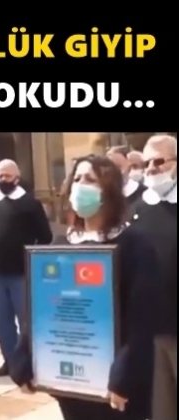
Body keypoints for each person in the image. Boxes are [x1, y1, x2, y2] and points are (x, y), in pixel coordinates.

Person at [10, 154, 158, 420]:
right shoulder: (60, 246)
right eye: (76, 179)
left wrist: (124, 375)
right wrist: (24, 357)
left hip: (116, 390)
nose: (80, 186)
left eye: (90, 179)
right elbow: (41, 310)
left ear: (109, 190)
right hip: (71, 385)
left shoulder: (135, 246)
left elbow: (142, 320)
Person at [0, 159, 53, 377]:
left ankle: (31, 362)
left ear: (17, 178)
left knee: (27, 322)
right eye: (0, 176)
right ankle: (11, 361)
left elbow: (45, 237)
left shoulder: (29, 203)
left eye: (7, 176)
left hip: (22, 273)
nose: (3, 179)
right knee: (0, 323)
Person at [128, 135, 177, 419]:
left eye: (159, 161)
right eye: (146, 162)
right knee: (161, 408)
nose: (150, 168)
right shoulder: (138, 209)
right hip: (150, 330)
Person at [106, 146, 147, 211]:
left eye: (118, 167)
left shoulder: (145, 194)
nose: (114, 172)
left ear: (129, 166)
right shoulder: (103, 196)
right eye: (109, 168)